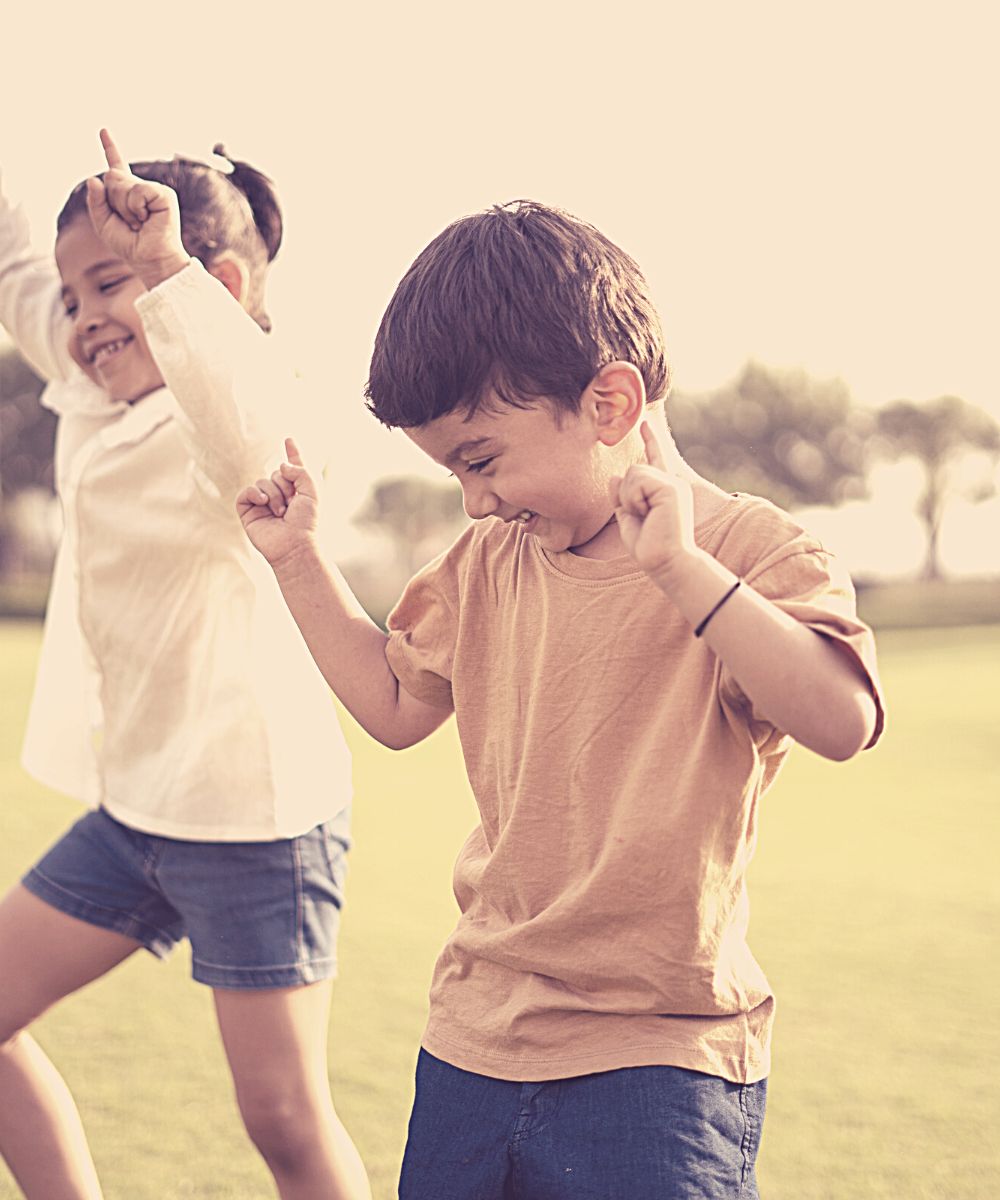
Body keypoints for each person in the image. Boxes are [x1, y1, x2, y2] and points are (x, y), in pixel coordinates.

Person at [238, 200, 885, 1199]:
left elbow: (841, 721)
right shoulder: (488, 560)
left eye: (481, 458)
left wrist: (679, 570)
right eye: (452, 470)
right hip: (474, 1040)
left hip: (658, 1062)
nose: (476, 500)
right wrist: (298, 562)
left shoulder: (750, 556)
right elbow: (396, 708)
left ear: (610, 405)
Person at [0, 132, 370, 1200]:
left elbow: (256, 444)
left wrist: (159, 272)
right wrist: (97, 289)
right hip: (137, 814)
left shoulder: (244, 415)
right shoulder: (90, 392)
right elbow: (19, 274)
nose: (82, 319)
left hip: (255, 822)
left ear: (220, 285)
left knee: (286, 1124)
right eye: (75, 299)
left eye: (108, 284)